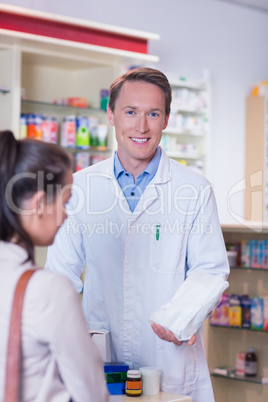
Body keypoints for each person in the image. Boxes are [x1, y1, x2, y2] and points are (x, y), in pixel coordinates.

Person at [46, 67, 229, 401]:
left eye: (153, 113)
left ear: (167, 119)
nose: (141, 126)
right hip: (100, 351)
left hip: (169, 356)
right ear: (112, 115)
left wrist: (182, 317)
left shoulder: (194, 189)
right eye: (130, 111)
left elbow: (210, 269)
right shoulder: (81, 187)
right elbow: (60, 274)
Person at [0, 131, 109, 402]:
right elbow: (91, 393)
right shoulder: (46, 289)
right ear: (39, 205)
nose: (66, 214)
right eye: (66, 201)